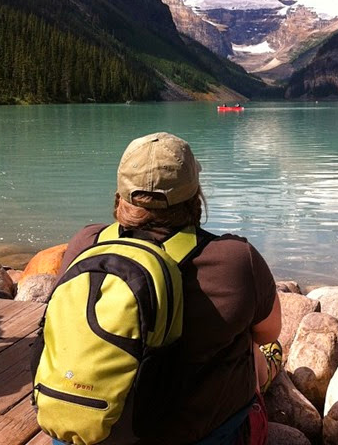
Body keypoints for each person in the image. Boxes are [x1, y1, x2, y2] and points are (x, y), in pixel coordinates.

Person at [53, 132, 282, 445]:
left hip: (85, 431)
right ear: (194, 194)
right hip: (203, 436)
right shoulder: (234, 261)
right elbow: (269, 332)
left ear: (121, 193)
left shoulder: (86, 243)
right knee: (253, 350)